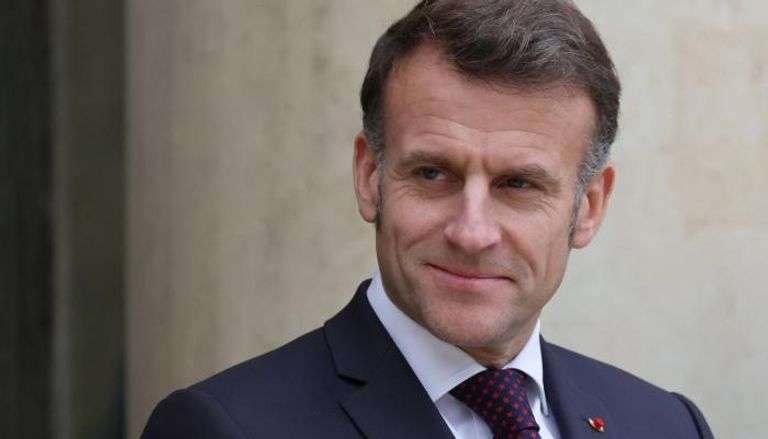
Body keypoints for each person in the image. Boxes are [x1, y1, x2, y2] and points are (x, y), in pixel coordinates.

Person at [143, 1, 714, 438]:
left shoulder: (666, 425)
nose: (471, 232)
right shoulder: (226, 428)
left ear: (588, 207)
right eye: (433, 174)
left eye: (518, 184)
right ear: (369, 176)